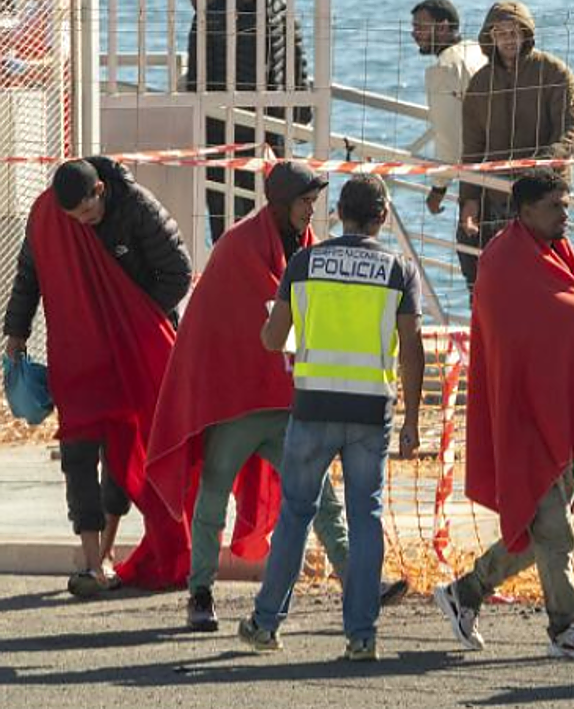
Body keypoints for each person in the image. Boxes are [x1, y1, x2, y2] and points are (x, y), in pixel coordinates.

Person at [145, 161, 407, 632]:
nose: (312, 211)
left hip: (288, 401)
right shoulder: (238, 247)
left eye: (314, 202)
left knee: (321, 499)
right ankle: (200, 592)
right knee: (213, 497)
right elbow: (216, 324)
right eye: (306, 203)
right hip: (235, 403)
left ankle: (358, 582)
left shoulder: (307, 250)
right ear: (284, 203)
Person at [433, 169, 574, 660]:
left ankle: (465, 592)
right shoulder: (503, 262)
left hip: (557, 414)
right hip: (523, 421)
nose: (566, 214)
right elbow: (517, 343)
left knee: (536, 530)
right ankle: (566, 626)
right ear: (525, 210)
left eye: (566, 204)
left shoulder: (556, 252)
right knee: (553, 531)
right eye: (556, 206)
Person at [239, 173, 424, 662]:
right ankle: (361, 635)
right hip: (369, 410)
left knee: (295, 515)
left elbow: (271, 339)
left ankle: (265, 623)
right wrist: (412, 421)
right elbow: (412, 351)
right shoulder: (397, 269)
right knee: (367, 518)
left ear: (338, 213)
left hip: (313, 407)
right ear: (382, 216)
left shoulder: (304, 262)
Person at [3, 157, 192, 595]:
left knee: (125, 450)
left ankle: (108, 552)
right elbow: (29, 275)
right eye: (74, 220)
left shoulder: (137, 207)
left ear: (101, 191)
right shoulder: (49, 216)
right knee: (78, 451)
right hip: (79, 353)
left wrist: (130, 320)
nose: (83, 225)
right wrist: (16, 333)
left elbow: (178, 272)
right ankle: (93, 563)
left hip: (136, 352)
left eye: (88, 215)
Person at [187, 0, 312, 242]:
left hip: (271, 126)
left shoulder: (281, 9)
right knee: (225, 210)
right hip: (223, 131)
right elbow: (198, 80)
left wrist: (300, 110)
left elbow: (296, 60)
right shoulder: (212, 15)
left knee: (276, 208)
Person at [457, 0, 574, 296]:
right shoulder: (480, 83)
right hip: (497, 191)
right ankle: (486, 318)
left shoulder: (555, 73)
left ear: (527, 34)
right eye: (500, 33)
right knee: (474, 253)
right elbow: (473, 148)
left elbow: (572, 131)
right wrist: (469, 201)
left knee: (542, 273)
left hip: (545, 193)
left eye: (514, 32)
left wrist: (539, 167)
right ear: (490, 37)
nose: (508, 39)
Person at [411, 0, 487, 217]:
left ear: (443, 27)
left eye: (420, 27)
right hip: (505, 158)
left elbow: (448, 138)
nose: (414, 34)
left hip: (477, 173)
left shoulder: (443, 70)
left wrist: (438, 187)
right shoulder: (478, 50)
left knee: (472, 245)